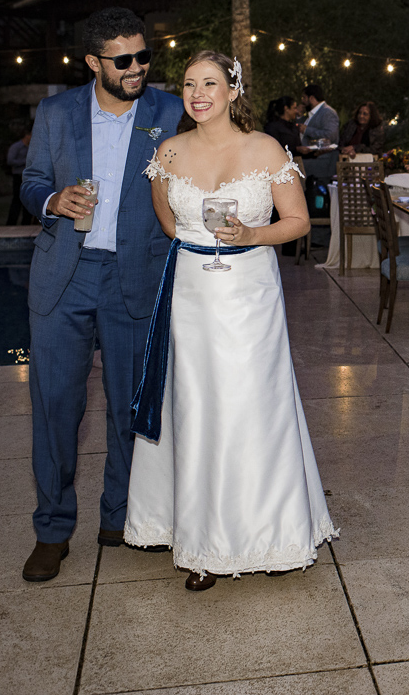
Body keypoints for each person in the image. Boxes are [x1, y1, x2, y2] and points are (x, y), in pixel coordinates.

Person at [124, 50, 336, 591]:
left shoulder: (264, 148)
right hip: (192, 295)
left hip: (250, 294)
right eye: (191, 83)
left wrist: (248, 236)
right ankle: (202, 543)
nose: (198, 93)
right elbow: (170, 223)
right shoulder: (168, 152)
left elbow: (296, 222)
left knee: (251, 405)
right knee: (196, 408)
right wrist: (200, 246)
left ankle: (269, 531)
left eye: (210, 83)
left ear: (233, 90)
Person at [18, 7, 185, 583]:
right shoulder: (57, 112)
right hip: (65, 275)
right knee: (56, 406)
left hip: (135, 273)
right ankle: (52, 528)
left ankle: (120, 512)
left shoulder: (170, 110)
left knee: (128, 405)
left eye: (144, 56)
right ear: (93, 62)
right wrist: (53, 199)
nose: (138, 67)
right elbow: (32, 180)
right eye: (124, 60)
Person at [298, 83, 339, 183]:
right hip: (311, 164)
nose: (302, 101)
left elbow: (331, 135)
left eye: (304, 98)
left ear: (311, 98)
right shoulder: (310, 114)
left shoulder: (328, 112)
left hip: (322, 164)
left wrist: (307, 130)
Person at [6, 123, 35, 224]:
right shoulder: (16, 147)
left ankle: (26, 223)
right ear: (27, 135)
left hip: (28, 178)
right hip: (18, 177)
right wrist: (25, 161)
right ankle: (11, 223)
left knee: (28, 200)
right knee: (17, 200)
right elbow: (10, 161)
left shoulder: (32, 147)